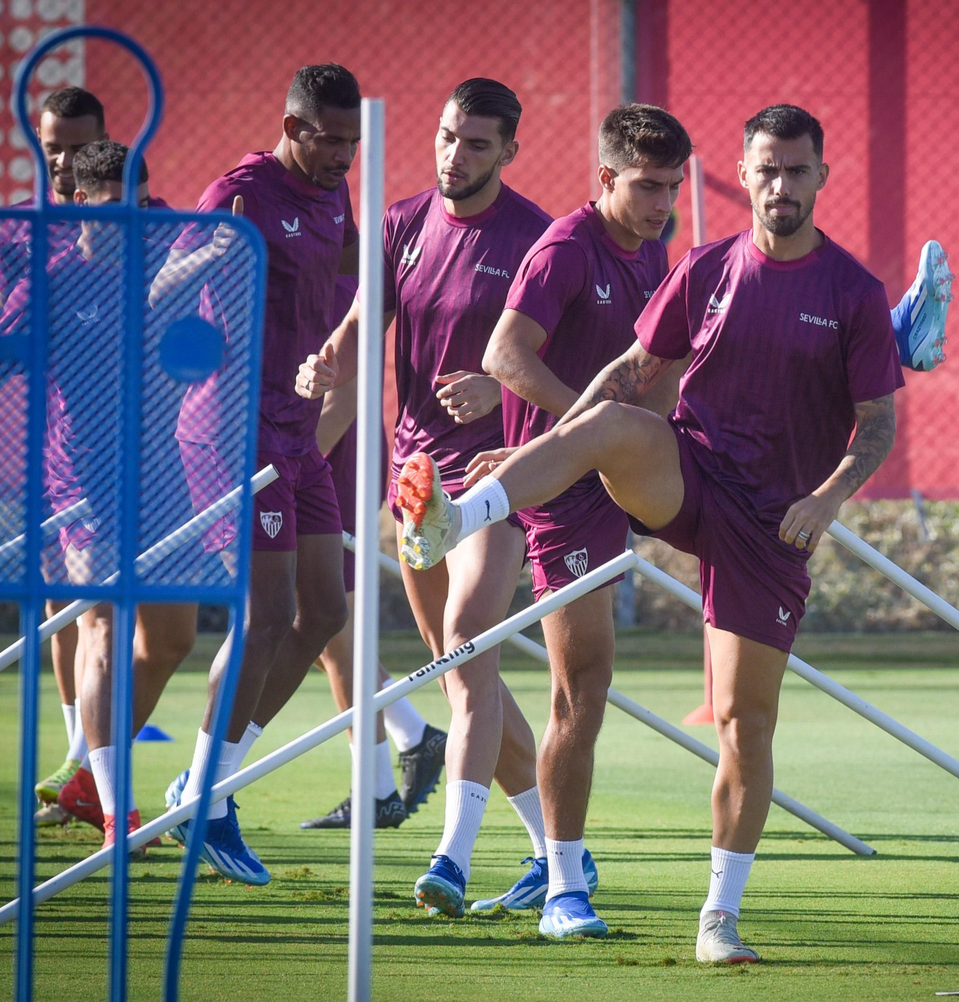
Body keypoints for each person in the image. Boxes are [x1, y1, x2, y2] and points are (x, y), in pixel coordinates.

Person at [380, 105, 902, 962]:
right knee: (613, 434)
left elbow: (876, 426)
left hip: (773, 526)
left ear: (820, 178)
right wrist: (547, 447)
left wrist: (829, 497)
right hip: (687, 478)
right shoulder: (703, 265)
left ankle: (717, 921)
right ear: (743, 172)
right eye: (765, 170)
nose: (779, 186)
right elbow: (628, 373)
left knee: (744, 724)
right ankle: (459, 520)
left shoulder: (848, 291)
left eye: (796, 171)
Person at [294, 78, 594, 917]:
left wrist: (503, 395)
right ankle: (555, 854)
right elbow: (361, 325)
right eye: (445, 136)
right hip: (414, 481)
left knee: (465, 649)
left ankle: (451, 861)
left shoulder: (539, 238)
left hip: (498, 477)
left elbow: (562, 358)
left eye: (474, 144)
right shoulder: (399, 224)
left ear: (508, 152)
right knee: (469, 679)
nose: (453, 155)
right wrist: (326, 364)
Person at [469, 103, 692, 938]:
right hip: (560, 497)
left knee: (573, 687)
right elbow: (504, 356)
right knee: (575, 690)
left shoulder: (656, 250)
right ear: (606, 178)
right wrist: (585, 437)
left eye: (672, 186)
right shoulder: (566, 248)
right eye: (645, 185)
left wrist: (648, 437)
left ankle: (546, 869)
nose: (661, 201)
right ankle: (563, 886)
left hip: (616, 481)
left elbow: (658, 372)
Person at [158, 64, 361, 887]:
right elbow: (160, 295)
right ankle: (206, 802)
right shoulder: (239, 191)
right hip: (231, 432)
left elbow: (339, 273)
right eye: (331, 138)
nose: (345, 154)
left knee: (324, 612)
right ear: (292, 124)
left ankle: (201, 783)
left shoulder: (336, 192)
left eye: (354, 139)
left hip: (297, 430)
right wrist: (208, 256)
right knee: (266, 613)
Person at [0, 139, 194, 853]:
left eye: (135, 210)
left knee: (171, 638)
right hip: (82, 485)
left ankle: (83, 784)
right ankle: (116, 808)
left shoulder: (161, 266)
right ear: (76, 202)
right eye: (109, 211)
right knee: (100, 626)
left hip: (163, 479)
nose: (125, 224)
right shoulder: (49, 282)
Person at [296, 276, 448, 831]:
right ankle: (413, 735)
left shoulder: (328, 276)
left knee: (329, 633)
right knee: (318, 633)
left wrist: (294, 466)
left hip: (323, 467)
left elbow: (347, 389)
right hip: (315, 462)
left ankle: (379, 789)